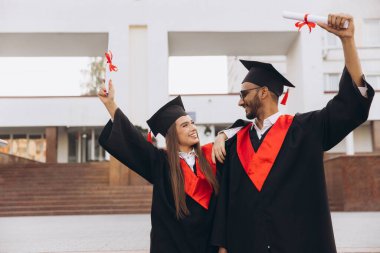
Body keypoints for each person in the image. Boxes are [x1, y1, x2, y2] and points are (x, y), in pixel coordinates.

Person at [211, 13, 374, 253]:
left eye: (243, 94)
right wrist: (222, 246)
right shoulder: (235, 143)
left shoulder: (307, 129)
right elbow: (224, 201)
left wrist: (347, 41)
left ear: (264, 92)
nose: (240, 102)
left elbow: (351, 107)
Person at [98, 80, 220, 253]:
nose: (193, 128)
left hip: (208, 246)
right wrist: (111, 104)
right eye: (185, 125)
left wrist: (222, 135)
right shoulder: (160, 163)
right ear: (172, 134)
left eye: (192, 123)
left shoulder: (211, 158)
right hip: (173, 247)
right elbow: (134, 141)